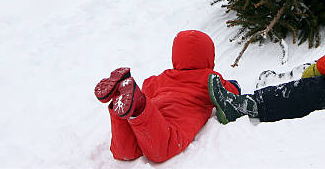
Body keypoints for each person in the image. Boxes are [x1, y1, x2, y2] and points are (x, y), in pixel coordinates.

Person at [94, 30, 240, 163]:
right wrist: (235, 85)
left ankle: (122, 97)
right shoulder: (210, 78)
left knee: (126, 151)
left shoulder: (163, 77)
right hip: (171, 125)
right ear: (209, 56)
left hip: (154, 114)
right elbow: (230, 93)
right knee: (162, 149)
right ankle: (138, 105)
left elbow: (148, 85)